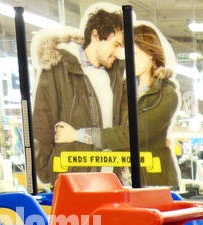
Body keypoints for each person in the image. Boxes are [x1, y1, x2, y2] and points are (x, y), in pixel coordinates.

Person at [55, 21, 180, 189]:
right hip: (121, 182)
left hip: (154, 181)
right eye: (127, 55)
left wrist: (78, 135)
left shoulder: (166, 95)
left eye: (134, 54)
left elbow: (129, 136)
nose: (130, 61)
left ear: (150, 54)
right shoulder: (122, 90)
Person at [31, 4, 125, 186]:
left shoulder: (115, 75)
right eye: (116, 44)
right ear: (96, 35)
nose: (119, 52)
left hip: (110, 181)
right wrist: (49, 174)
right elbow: (42, 125)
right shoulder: (58, 69)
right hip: (74, 182)